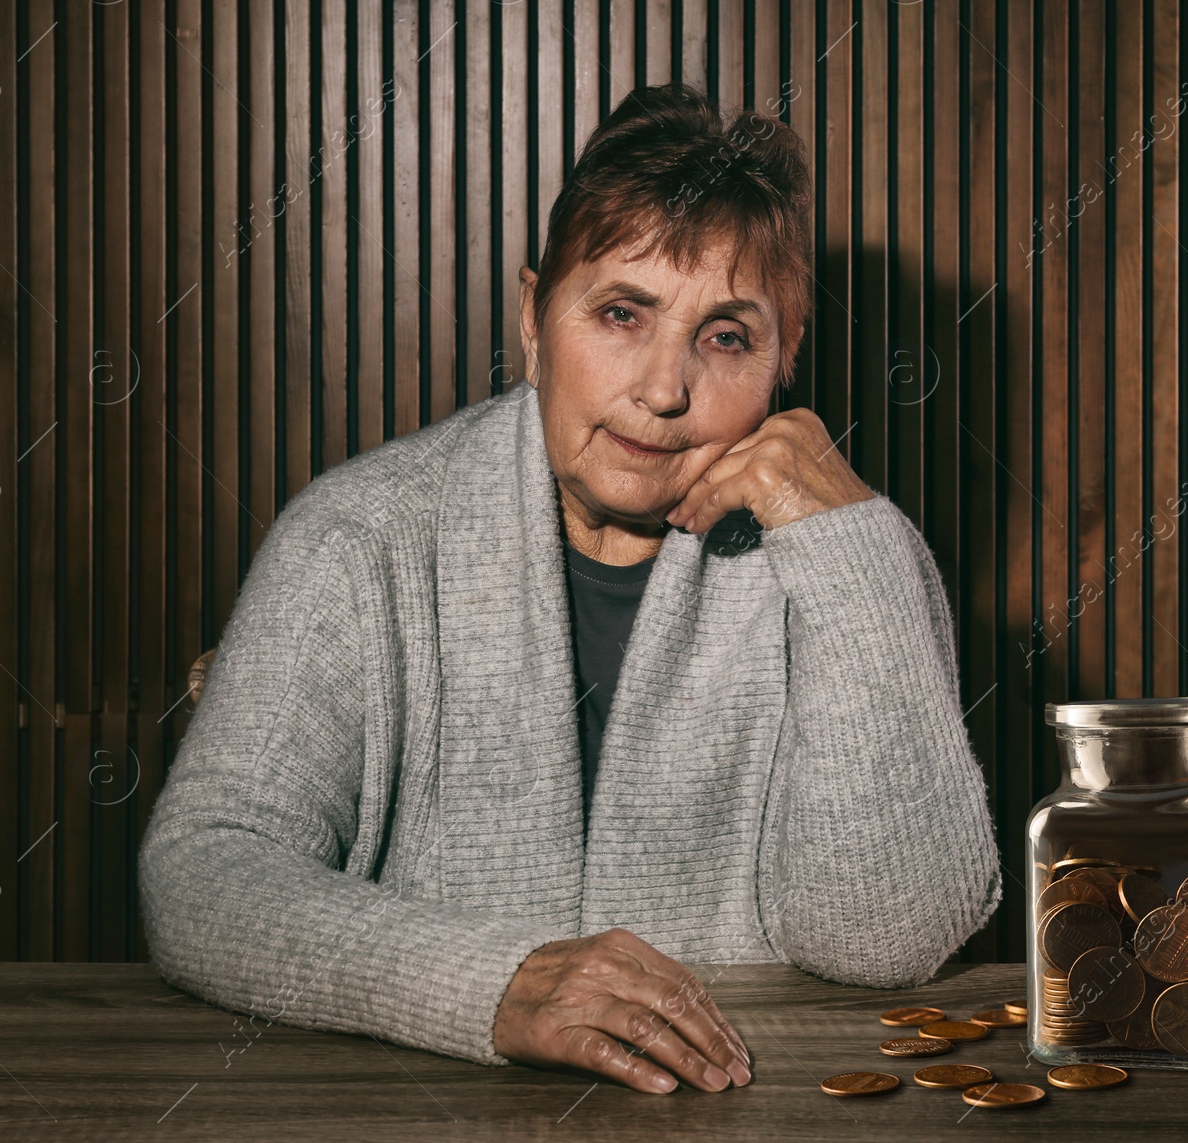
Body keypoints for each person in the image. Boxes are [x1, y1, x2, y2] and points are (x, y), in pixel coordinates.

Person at [139, 82, 1001, 1097]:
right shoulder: (360, 535)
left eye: (727, 336)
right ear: (533, 317)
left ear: (784, 365)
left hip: (755, 1112)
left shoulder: (841, 557)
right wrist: (487, 982)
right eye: (621, 313)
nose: (665, 388)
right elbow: (203, 873)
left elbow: (883, 938)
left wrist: (855, 546)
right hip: (414, 1112)